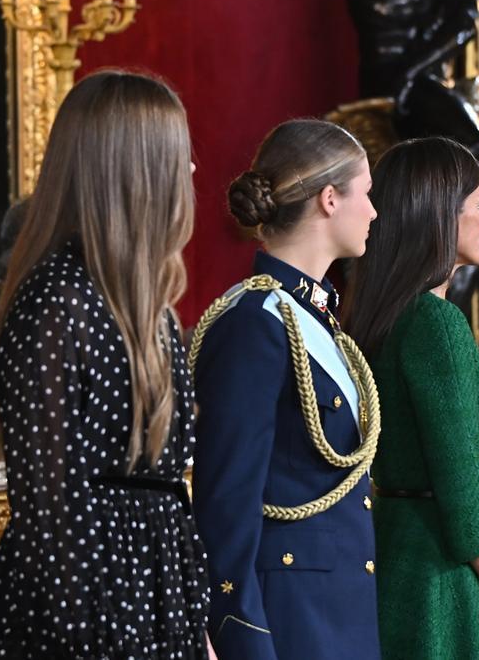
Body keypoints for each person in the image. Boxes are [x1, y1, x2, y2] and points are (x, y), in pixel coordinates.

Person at [0, 70, 210, 657]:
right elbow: (50, 514)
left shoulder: (151, 309)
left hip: (156, 596)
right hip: (82, 613)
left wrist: (194, 627)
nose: (192, 171)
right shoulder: (56, 301)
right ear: (135, 171)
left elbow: (165, 499)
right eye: (178, 155)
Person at [190, 119, 381, 659]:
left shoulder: (317, 321)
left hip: (343, 612)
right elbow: (225, 507)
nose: (373, 211)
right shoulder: (253, 322)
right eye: (365, 194)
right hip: (290, 622)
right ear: (328, 200)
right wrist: (244, 642)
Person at [344, 136, 479, 658]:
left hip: (395, 546)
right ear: (438, 216)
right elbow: (459, 479)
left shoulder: (389, 313)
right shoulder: (435, 322)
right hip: (436, 566)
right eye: (476, 204)